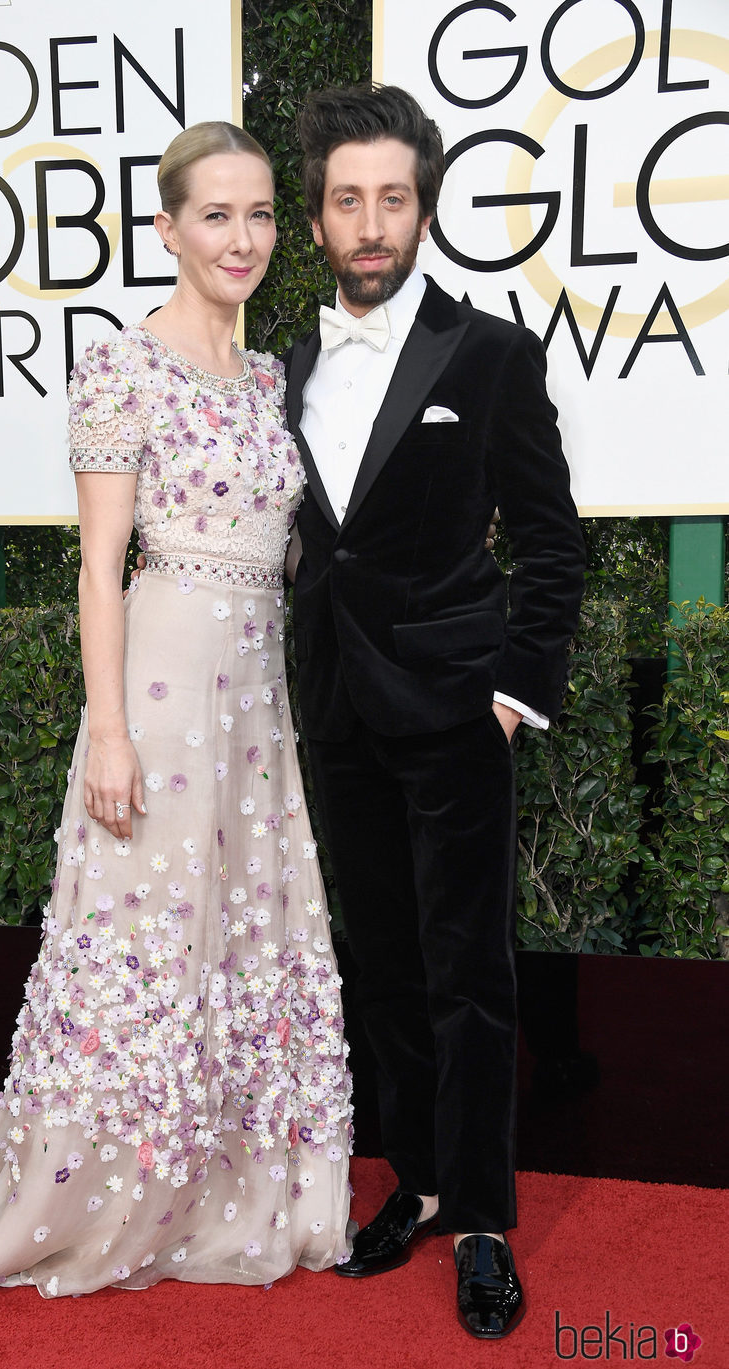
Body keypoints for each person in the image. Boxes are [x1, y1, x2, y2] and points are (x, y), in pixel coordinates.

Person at [0, 121, 352, 1300]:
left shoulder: (268, 377)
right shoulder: (121, 364)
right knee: (145, 935)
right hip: (159, 684)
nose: (242, 237)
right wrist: (106, 730)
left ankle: (229, 1169)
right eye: (215, 215)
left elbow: (302, 549)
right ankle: (104, 1181)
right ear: (165, 229)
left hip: (258, 699)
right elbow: (98, 560)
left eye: (260, 214)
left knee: (242, 933)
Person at [283, 85, 586, 1339]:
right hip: (338, 712)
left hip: (458, 709)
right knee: (387, 966)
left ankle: (480, 1221)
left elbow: (553, 542)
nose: (369, 223)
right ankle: (409, 1181)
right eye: (346, 200)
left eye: (390, 198)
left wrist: (511, 695)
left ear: (423, 208)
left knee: (468, 973)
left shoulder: (490, 354)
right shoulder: (281, 364)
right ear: (315, 222)